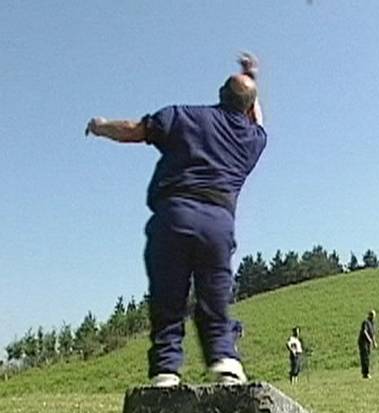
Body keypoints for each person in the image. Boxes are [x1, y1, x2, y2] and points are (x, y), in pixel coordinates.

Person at [85, 53, 266, 387]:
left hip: (174, 215)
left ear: (220, 94)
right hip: (217, 223)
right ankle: (225, 361)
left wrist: (100, 126)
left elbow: (133, 131)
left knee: (168, 296)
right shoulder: (252, 141)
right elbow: (257, 118)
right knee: (214, 294)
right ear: (248, 107)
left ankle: (166, 370)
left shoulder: (182, 116)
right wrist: (252, 78)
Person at [357, 310, 377, 379]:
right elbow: (364, 331)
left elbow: (373, 334)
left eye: (374, 315)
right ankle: (365, 373)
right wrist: (369, 339)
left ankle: (367, 372)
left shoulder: (373, 323)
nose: (373, 317)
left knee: (368, 357)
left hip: (368, 342)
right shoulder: (365, 322)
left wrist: (374, 342)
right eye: (371, 315)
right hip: (363, 342)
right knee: (365, 357)